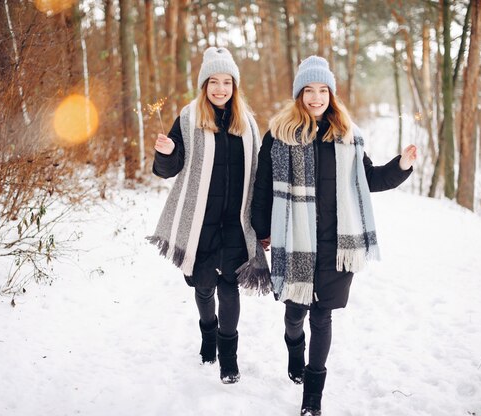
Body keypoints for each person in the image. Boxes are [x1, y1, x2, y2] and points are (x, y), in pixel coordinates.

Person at [250, 56, 417, 415]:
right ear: (299, 94)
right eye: (308, 90)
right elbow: (263, 187)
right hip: (294, 241)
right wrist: (262, 231)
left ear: (331, 93)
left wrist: (401, 165)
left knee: (321, 317)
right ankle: (294, 349)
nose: (315, 97)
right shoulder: (278, 135)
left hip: (338, 244)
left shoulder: (347, 136)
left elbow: (367, 180)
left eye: (322, 90)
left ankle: (313, 396)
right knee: (295, 313)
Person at [147, 47, 269, 384]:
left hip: (235, 223)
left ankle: (228, 358)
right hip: (199, 223)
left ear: (234, 85)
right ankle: (208, 334)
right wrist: (167, 154)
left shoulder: (248, 124)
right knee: (203, 287)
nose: (220, 89)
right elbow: (168, 169)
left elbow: (259, 176)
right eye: (213, 82)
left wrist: (262, 224)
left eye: (226, 82)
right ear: (204, 85)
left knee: (229, 289)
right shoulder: (188, 119)